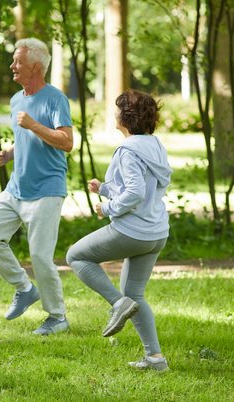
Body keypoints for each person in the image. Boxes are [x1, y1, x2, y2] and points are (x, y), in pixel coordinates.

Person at [66, 90, 172, 372]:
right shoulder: (153, 144)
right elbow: (145, 186)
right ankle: (155, 359)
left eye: (117, 110)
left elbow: (135, 192)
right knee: (135, 294)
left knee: (76, 256)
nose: (114, 114)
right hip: (157, 232)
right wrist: (104, 188)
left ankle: (117, 303)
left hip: (134, 231)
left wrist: (108, 206)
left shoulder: (128, 150)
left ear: (126, 117)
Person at [0, 38, 73, 335]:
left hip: (47, 189)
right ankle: (24, 288)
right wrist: (10, 152)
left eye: (17, 62)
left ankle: (57, 317)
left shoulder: (56, 99)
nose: (12, 66)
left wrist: (32, 125)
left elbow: (66, 142)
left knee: (41, 257)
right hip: (17, 188)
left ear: (35, 66)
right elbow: (27, 139)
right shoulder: (18, 100)